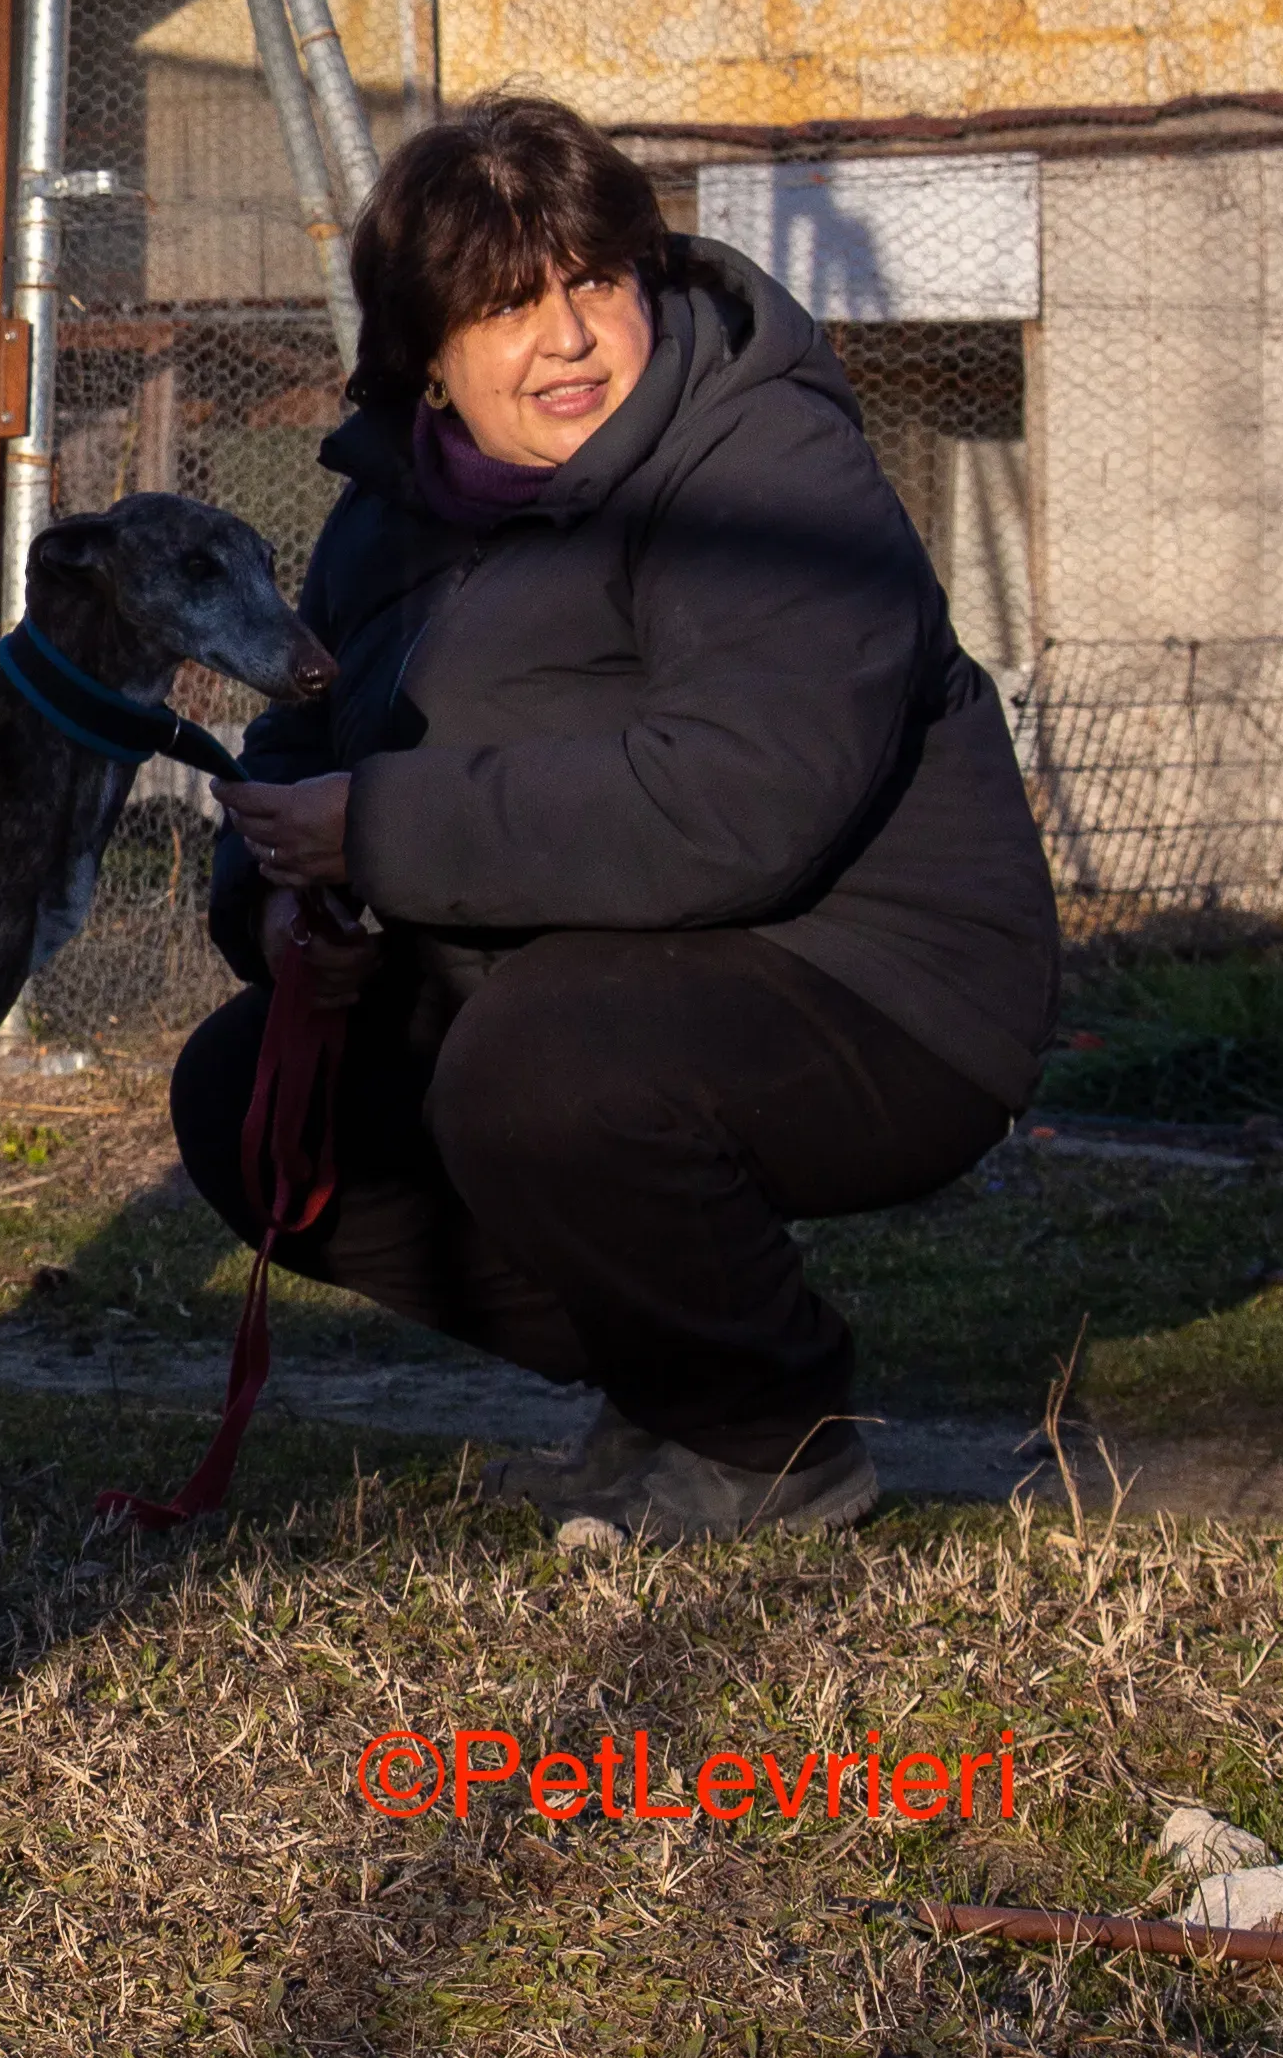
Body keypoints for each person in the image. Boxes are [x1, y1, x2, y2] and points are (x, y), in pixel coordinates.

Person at [190, 94, 1058, 1543]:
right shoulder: (384, 509)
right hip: (578, 975)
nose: (569, 336)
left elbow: (744, 797)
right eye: (506, 304)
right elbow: (295, 743)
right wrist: (290, 907)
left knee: (539, 1065)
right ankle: (677, 1383)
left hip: (875, 982)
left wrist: (386, 830)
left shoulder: (766, 469)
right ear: (425, 351)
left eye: (593, 280)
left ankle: (777, 1434)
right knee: (253, 1103)